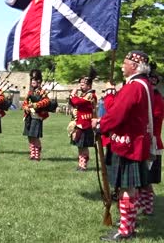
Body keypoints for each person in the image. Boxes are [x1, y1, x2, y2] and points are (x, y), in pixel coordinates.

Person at [92, 51, 152, 241]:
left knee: (127, 188)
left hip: (127, 144)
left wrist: (100, 124)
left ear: (134, 66)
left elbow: (118, 113)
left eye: (124, 63)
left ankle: (126, 230)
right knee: (130, 188)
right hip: (134, 142)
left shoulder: (134, 87)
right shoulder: (142, 85)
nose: (121, 66)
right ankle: (129, 225)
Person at [137, 62, 163, 216]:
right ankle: (145, 207)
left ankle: (147, 207)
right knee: (143, 180)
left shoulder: (157, 98)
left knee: (146, 180)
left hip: (152, 142)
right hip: (144, 141)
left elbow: (152, 118)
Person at [69, 67, 98, 171]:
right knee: (80, 146)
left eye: (82, 84)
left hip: (85, 124)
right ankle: (81, 164)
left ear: (89, 85)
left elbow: (78, 102)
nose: (80, 86)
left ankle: (83, 165)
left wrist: (73, 94)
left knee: (83, 146)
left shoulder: (91, 95)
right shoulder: (85, 94)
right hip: (80, 123)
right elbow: (73, 103)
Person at [22, 69, 50, 161]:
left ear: (39, 81)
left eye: (34, 80)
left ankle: (37, 155)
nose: (32, 81)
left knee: (35, 136)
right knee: (30, 136)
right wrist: (26, 107)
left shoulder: (42, 92)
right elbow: (24, 103)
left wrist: (35, 105)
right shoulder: (30, 92)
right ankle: (32, 154)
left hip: (37, 117)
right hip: (29, 116)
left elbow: (46, 101)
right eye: (32, 80)